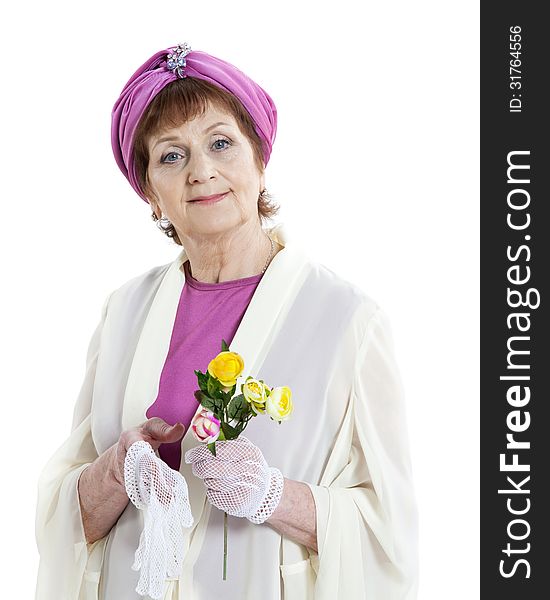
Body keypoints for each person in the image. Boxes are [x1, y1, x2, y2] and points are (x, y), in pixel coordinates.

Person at [34, 43, 418, 600]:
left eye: (221, 143)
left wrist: (272, 495)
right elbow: (63, 524)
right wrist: (116, 472)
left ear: (259, 161)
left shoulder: (349, 323)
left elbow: (391, 534)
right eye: (171, 155)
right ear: (150, 195)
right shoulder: (123, 311)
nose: (201, 172)